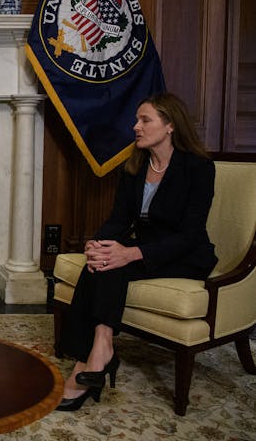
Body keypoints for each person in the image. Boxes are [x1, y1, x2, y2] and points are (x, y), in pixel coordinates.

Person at [56, 92, 217, 411]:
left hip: (184, 253)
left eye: (145, 120)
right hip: (145, 245)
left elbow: (188, 235)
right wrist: (97, 242)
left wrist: (130, 253)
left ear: (170, 125)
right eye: (136, 120)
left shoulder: (198, 168)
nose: (136, 127)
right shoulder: (135, 164)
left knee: (114, 261)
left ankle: (88, 360)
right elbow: (119, 219)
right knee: (102, 260)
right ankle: (98, 351)